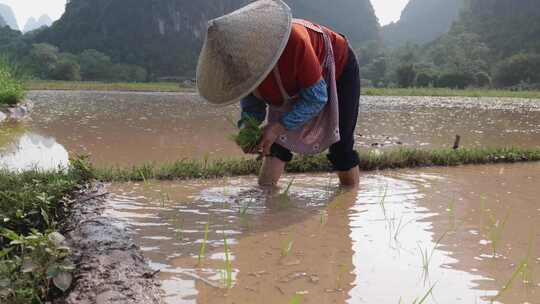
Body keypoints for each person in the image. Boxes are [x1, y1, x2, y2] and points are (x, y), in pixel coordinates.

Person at [196, 0, 361, 187]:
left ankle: (349, 203)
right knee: (275, 144)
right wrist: (248, 129)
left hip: (338, 67)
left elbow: (317, 97)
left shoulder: (294, 41)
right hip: (293, 80)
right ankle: (265, 198)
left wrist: (277, 127)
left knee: (341, 148)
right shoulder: (240, 69)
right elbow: (252, 105)